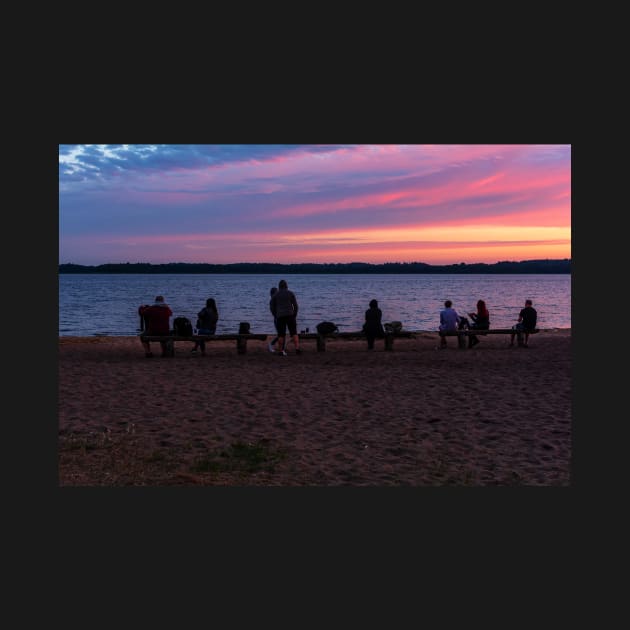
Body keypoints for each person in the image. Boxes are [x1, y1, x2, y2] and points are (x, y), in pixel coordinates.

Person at [269, 279, 301, 356]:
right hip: (290, 315)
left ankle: (280, 350)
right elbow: (296, 306)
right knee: (294, 333)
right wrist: (294, 314)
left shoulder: (276, 295)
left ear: (279, 286)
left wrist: (275, 315)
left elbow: (272, 307)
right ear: (286, 286)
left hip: (280, 316)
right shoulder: (290, 293)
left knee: (281, 335)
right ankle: (297, 349)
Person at [267, 287, 280, 353]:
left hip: (279, 318)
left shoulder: (275, 300)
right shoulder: (272, 301)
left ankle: (277, 346)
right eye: (277, 292)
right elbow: (273, 311)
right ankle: (271, 344)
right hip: (277, 319)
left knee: (281, 334)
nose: (278, 293)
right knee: (280, 334)